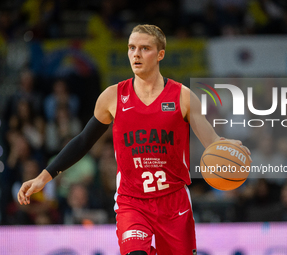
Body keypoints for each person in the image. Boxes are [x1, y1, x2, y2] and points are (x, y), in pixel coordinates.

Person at [17, 24, 251, 255]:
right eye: (131, 47)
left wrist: (228, 149)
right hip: (132, 202)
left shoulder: (183, 96)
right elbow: (83, 141)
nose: (136, 54)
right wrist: (43, 177)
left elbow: (212, 142)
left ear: (160, 54)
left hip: (174, 202)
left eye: (144, 48)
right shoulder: (112, 96)